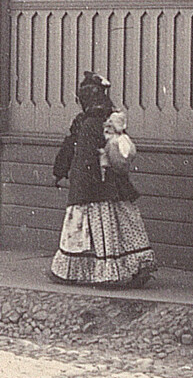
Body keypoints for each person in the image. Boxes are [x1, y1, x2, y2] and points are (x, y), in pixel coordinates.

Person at [49, 71, 156, 287]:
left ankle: (103, 273)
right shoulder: (112, 120)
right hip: (114, 182)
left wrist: (63, 174)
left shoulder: (85, 123)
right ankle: (135, 265)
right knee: (122, 224)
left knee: (92, 229)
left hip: (92, 186)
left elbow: (79, 154)